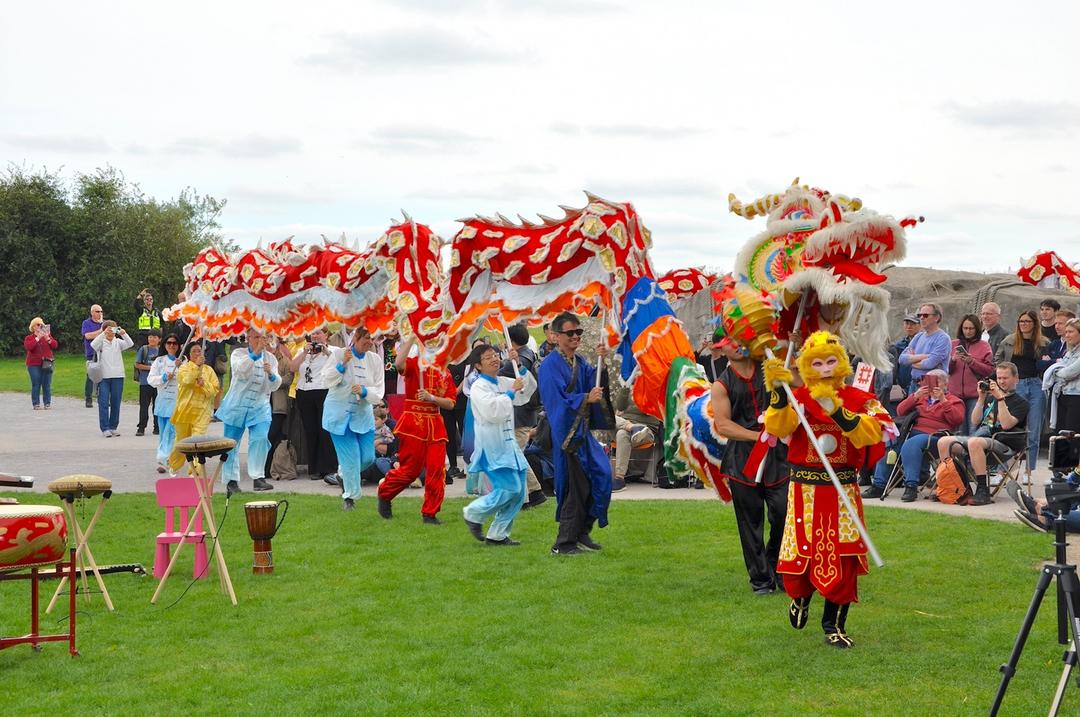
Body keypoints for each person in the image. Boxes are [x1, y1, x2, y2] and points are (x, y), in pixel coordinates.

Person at [763, 331, 892, 649]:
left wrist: (837, 410)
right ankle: (800, 598)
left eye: (830, 361)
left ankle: (833, 625)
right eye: (816, 362)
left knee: (844, 556)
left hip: (842, 489)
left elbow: (874, 433)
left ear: (842, 363)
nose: (824, 368)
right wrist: (779, 395)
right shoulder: (799, 398)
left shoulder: (861, 399)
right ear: (806, 366)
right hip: (804, 489)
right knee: (802, 553)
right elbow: (778, 428)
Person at [710, 339, 789, 595]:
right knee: (750, 521)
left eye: (740, 339)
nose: (737, 345)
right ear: (721, 349)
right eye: (729, 342)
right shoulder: (721, 384)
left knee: (783, 512)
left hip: (778, 457)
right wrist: (759, 437)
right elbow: (722, 425)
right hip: (743, 460)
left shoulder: (768, 366)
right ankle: (761, 581)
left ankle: (778, 566)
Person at [538, 312, 613, 556]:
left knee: (601, 475)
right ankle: (564, 542)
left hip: (582, 432)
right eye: (570, 333)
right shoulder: (549, 366)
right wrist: (584, 398)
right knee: (575, 486)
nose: (575, 337)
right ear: (556, 336)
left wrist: (602, 362)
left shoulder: (579, 362)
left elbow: (594, 381)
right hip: (566, 434)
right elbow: (555, 401)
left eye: (578, 332)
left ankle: (582, 531)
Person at [376, 335, 458, 523]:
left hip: (435, 424)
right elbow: (398, 364)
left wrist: (432, 398)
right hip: (414, 423)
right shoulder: (415, 364)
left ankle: (430, 512)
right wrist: (412, 339)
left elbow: (451, 403)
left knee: (437, 469)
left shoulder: (445, 372)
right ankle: (385, 492)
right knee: (410, 470)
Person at [462, 343, 537, 545]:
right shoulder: (478, 387)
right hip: (492, 445)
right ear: (478, 365)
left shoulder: (502, 381)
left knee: (520, 492)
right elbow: (492, 412)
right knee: (510, 488)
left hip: (509, 443)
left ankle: (497, 534)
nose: (494, 359)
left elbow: (526, 391)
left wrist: (519, 365)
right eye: (488, 357)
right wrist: (511, 393)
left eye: (495, 355)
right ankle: (473, 513)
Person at [863, 369, 965, 501]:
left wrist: (943, 400)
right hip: (911, 433)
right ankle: (878, 485)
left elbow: (957, 420)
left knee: (913, 443)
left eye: (936, 380)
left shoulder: (954, 400)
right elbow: (900, 411)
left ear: (945, 383)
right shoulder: (921, 397)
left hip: (937, 438)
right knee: (889, 440)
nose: (932, 383)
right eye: (927, 379)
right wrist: (915, 396)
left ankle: (911, 486)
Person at [937, 362, 1029, 505]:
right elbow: (975, 421)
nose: (1001, 381)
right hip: (983, 439)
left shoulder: (1020, 402)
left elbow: (1005, 425)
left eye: (1005, 378)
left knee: (974, 442)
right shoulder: (990, 398)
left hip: (1005, 443)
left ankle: (982, 490)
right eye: (999, 378)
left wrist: (1000, 399)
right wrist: (981, 397)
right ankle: (952, 487)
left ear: (1016, 378)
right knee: (944, 441)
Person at [322, 328, 385, 511]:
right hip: (339, 416)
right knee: (351, 459)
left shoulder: (375, 360)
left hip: (362, 417)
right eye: (366, 338)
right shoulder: (339, 354)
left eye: (372, 338)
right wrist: (342, 365)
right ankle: (349, 498)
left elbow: (379, 391)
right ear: (356, 337)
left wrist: (365, 392)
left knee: (367, 458)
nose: (370, 342)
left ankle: (342, 474)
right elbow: (326, 380)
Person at [215, 328, 281, 496]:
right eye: (256, 337)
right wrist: (256, 352)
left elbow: (275, 385)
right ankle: (231, 481)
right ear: (248, 338)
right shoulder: (238, 353)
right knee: (231, 444)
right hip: (237, 405)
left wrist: (271, 374)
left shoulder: (271, 359)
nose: (260, 340)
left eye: (263, 337)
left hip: (259, 406)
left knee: (260, 438)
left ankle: (258, 477)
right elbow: (241, 371)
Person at [994, 310, 1051, 471]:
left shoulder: (1044, 342)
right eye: (1021, 321)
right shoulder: (1009, 340)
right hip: (1014, 385)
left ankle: (1029, 470)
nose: (1024, 324)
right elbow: (998, 360)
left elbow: (1048, 364)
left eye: (1027, 321)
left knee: (1033, 431)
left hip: (1035, 385)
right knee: (1008, 428)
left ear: (1034, 323)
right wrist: (1003, 378)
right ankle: (1003, 469)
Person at [498, 323, 547, 508]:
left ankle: (524, 498)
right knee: (517, 455)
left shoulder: (520, 360)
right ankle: (535, 492)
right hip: (526, 416)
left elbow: (499, 375)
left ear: (512, 340)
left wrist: (503, 360)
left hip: (521, 417)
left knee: (513, 456)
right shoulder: (529, 354)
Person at [290, 328, 340, 485]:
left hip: (324, 390)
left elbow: (341, 365)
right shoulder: (302, 349)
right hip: (304, 392)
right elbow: (292, 367)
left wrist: (326, 352)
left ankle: (329, 467)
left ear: (326, 335)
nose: (315, 336)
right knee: (310, 431)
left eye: (319, 333)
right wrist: (304, 353)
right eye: (313, 333)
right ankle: (314, 468)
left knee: (324, 430)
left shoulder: (333, 350)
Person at [167, 343, 220, 476]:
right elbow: (186, 381)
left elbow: (214, 389)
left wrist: (204, 384)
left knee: (197, 442)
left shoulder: (209, 370)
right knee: (182, 442)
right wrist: (196, 367)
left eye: (200, 351)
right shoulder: (184, 368)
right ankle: (174, 464)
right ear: (190, 355)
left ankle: (194, 472)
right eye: (194, 351)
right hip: (185, 411)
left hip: (202, 412)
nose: (198, 353)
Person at [947, 314, 994, 435]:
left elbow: (989, 370)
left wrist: (971, 362)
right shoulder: (953, 344)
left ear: (977, 329)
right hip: (955, 395)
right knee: (959, 432)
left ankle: (972, 453)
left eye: (971, 328)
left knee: (974, 429)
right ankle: (961, 454)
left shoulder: (984, 346)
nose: (968, 331)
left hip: (975, 395)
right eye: (965, 328)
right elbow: (946, 370)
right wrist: (952, 360)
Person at [90, 321, 134, 437]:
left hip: (118, 376)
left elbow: (130, 343)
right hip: (103, 377)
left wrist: (124, 333)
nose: (111, 332)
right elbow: (93, 345)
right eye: (109, 330)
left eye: (113, 330)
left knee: (115, 402)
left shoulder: (118, 342)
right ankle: (104, 428)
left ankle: (113, 426)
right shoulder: (101, 343)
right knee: (103, 402)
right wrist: (103, 333)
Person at [148, 333, 182, 474]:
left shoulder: (183, 361)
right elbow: (151, 379)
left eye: (174, 343)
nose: (172, 345)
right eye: (169, 343)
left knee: (172, 432)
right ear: (165, 345)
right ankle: (163, 458)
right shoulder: (159, 361)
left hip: (177, 402)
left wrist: (179, 369)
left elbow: (188, 379)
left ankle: (167, 459)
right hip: (162, 402)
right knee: (164, 432)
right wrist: (163, 377)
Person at [899, 303, 950, 393]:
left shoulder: (943, 338)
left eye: (925, 315)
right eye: (920, 315)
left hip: (932, 388)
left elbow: (929, 364)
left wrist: (911, 361)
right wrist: (924, 356)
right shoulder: (918, 336)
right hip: (914, 385)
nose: (921, 318)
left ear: (936, 318)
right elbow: (902, 359)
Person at [265, 338, 295, 480]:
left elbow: (289, 379)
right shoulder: (261, 360)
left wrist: (273, 379)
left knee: (271, 435)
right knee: (266, 436)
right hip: (264, 405)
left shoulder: (283, 361)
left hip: (278, 405)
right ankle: (267, 467)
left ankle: (269, 467)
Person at [1044, 318, 1080, 435]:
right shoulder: (1069, 352)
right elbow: (1060, 372)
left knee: (1072, 434)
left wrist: (1056, 370)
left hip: (1076, 397)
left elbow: (1069, 373)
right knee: (1060, 433)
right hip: (1063, 393)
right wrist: (1058, 371)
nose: (1067, 335)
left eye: (1071, 332)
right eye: (1066, 332)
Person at [24, 317, 58, 410]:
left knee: (46, 384)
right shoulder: (29, 338)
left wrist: (48, 339)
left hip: (47, 363)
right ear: (33, 327)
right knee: (36, 383)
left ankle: (47, 403)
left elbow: (55, 345)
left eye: (42, 325)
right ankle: (36, 404)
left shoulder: (47, 335)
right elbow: (29, 347)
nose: (40, 326)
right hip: (33, 364)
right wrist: (38, 338)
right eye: (38, 325)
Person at [134, 329, 162, 436]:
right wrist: (151, 368)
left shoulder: (161, 351)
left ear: (159, 339)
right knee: (144, 406)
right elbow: (137, 364)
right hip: (145, 382)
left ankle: (157, 427)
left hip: (158, 383)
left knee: (157, 405)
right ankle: (141, 427)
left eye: (154, 337)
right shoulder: (144, 349)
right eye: (150, 337)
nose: (152, 339)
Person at [81, 304, 105, 407]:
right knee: (91, 376)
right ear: (92, 313)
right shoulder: (86, 323)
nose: (100, 314)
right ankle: (88, 398)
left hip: (104, 353)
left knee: (104, 376)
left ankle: (103, 398)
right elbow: (88, 336)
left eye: (101, 311)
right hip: (92, 353)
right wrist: (101, 331)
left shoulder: (105, 323)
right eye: (97, 312)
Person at [892, 314, 920, 398]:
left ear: (919, 325)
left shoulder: (923, 343)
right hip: (900, 388)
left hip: (917, 385)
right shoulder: (899, 345)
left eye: (912, 324)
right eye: (907, 323)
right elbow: (895, 368)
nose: (909, 326)